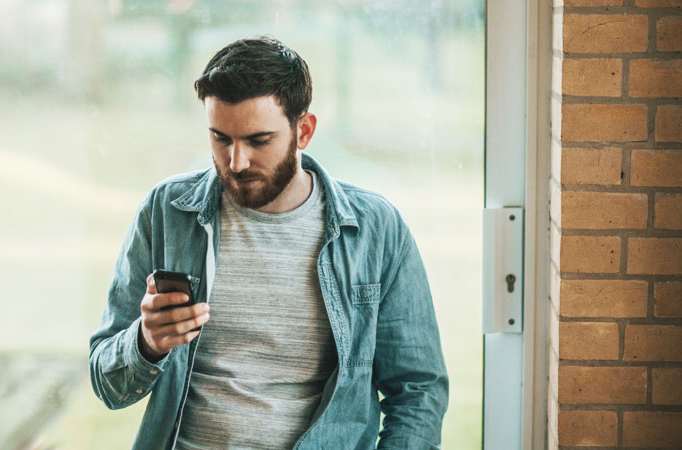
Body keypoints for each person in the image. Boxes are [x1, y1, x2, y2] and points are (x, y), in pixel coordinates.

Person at [89, 36, 448, 449]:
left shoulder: (375, 230)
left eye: (258, 141)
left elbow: (418, 391)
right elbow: (107, 383)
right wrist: (146, 343)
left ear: (304, 131)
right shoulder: (166, 212)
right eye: (220, 139)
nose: (237, 162)